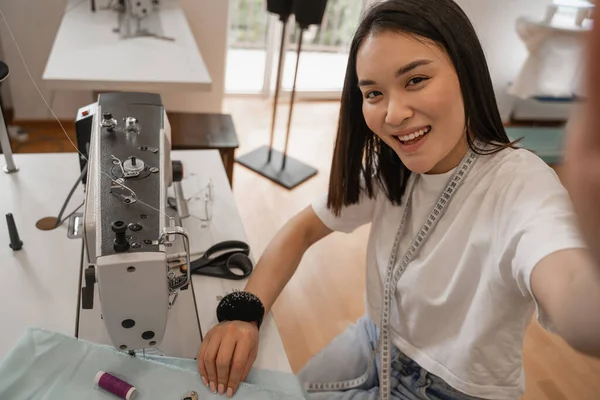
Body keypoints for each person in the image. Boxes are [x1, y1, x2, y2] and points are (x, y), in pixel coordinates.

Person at [197, 0, 600, 399]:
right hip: (376, 336)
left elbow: (571, 294)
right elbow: (302, 228)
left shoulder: (521, 184)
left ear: (466, 69)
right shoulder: (390, 167)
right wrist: (243, 313)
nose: (393, 114)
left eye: (415, 80)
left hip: (452, 388)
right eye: (373, 92)